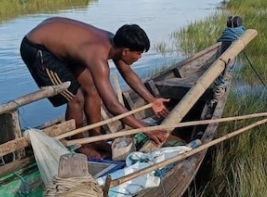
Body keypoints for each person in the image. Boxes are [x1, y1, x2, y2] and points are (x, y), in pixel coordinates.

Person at [20, 17, 169, 158]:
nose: (139, 57)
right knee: (76, 97)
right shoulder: (98, 56)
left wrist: (152, 100)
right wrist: (146, 129)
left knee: (93, 89)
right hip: (38, 48)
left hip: (60, 42)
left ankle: (96, 140)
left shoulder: (116, 44)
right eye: (138, 53)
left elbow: (128, 74)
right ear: (125, 51)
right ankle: (79, 145)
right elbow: (112, 105)